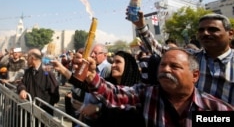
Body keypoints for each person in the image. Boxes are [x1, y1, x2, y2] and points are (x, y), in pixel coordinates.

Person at [54, 47, 234, 127]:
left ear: (195, 75)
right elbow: (114, 94)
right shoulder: (147, 95)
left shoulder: (215, 110)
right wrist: (91, 75)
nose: (165, 70)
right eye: (162, 65)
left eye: (174, 67)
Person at [127, 11, 234, 105]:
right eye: (201, 30)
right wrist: (141, 25)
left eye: (213, 29)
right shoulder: (190, 57)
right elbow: (158, 49)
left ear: (230, 34)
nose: (205, 33)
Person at [78, 51, 143, 127]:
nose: (113, 65)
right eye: (113, 62)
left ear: (128, 66)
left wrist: (98, 108)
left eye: (118, 62)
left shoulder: (135, 90)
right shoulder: (107, 83)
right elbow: (89, 86)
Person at [17, 48, 60, 115]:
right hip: (30, 111)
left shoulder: (47, 73)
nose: (26, 59)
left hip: (43, 113)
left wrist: (45, 104)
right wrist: (22, 90)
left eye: (27, 57)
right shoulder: (28, 72)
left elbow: (55, 95)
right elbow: (21, 83)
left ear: (32, 58)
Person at [77, 43, 111, 126]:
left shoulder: (108, 69)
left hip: (99, 119)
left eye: (95, 53)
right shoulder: (94, 69)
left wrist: (97, 107)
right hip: (87, 117)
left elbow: (110, 97)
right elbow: (88, 93)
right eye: (92, 52)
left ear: (105, 55)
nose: (92, 55)